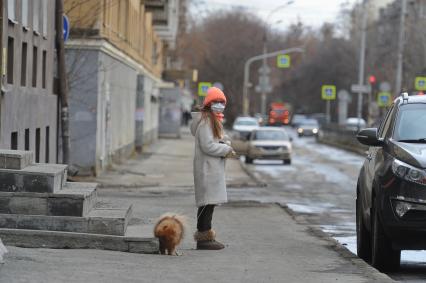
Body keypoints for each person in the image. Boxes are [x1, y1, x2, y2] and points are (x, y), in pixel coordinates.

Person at [190, 87, 236, 250]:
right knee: (206, 204)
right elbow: (207, 146)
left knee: (209, 204)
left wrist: (225, 143)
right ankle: (204, 238)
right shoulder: (206, 121)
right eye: (216, 102)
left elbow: (219, 138)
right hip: (207, 169)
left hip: (211, 168)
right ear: (209, 103)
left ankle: (205, 236)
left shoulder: (213, 119)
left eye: (222, 102)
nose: (220, 105)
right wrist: (226, 149)